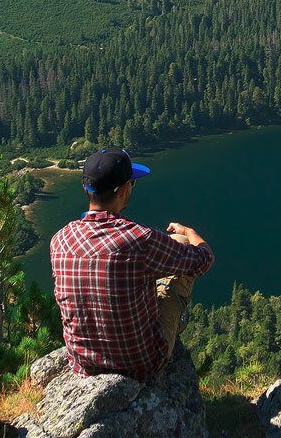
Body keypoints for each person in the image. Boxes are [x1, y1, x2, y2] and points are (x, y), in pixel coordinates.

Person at [49, 147, 214, 381]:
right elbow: (203, 260)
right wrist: (189, 232)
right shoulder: (139, 239)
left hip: (85, 363)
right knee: (178, 245)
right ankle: (174, 330)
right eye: (132, 184)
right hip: (143, 362)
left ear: (86, 189)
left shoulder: (60, 240)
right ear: (123, 190)